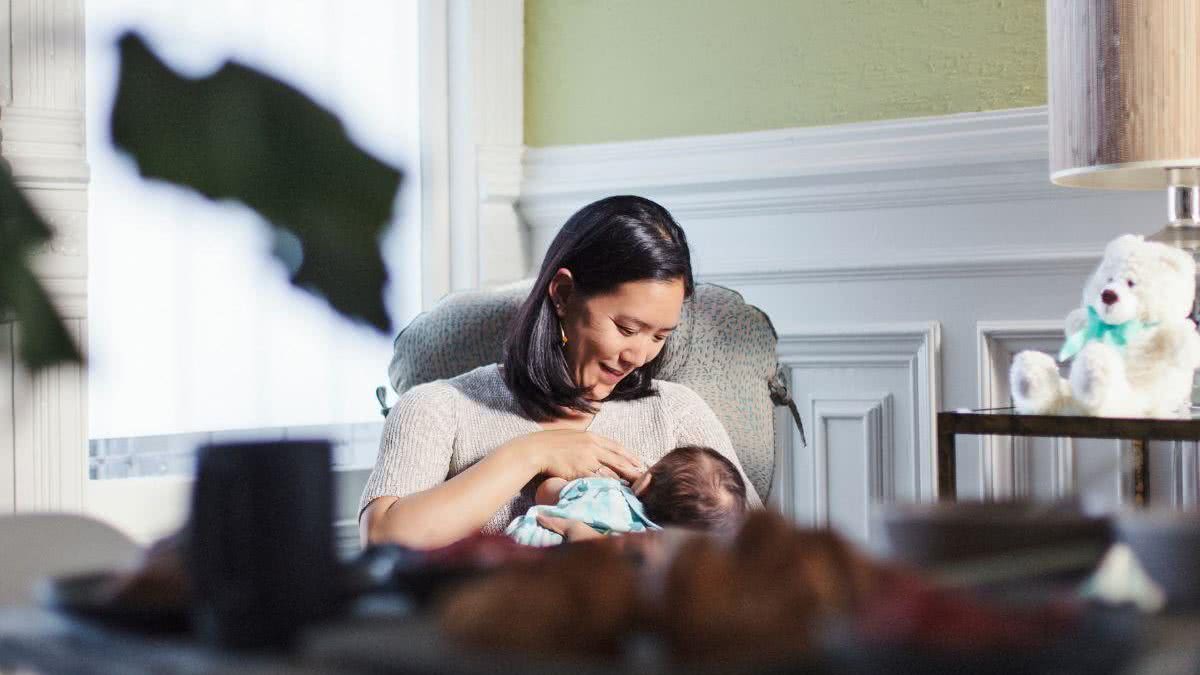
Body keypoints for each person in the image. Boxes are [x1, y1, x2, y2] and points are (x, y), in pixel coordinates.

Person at [359, 195, 761, 549]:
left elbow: (759, 556)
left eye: (659, 336)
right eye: (626, 328)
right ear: (564, 294)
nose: (638, 356)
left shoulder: (676, 413)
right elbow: (383, 541)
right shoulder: (439, 409)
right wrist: (532, 453)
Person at [506, 445, 749, 547]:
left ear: (644, 482)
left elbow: (546, 491)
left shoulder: (605, 489)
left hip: (525, 547)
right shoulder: (658, 553)